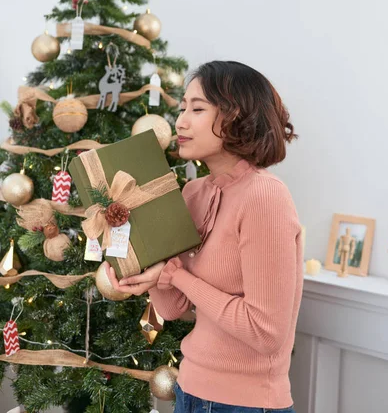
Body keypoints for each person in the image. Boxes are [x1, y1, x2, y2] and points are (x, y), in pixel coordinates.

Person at [106, 60, 304, 413]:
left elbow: (266, 333)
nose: (180, 121)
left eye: (197, 108)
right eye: (182, 108)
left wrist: (176, 275)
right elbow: (170, 307)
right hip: (190, 390)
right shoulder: (193, 193)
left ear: (237, 116)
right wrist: (149, 259)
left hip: (245, 404)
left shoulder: (265, 196)